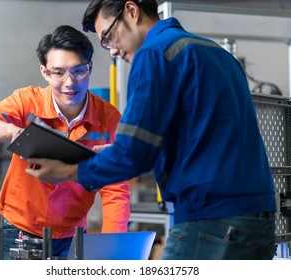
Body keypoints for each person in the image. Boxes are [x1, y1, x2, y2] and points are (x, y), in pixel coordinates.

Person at [25, 0, 277, 260]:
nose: (111, 50)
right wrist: (119, 150)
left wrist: (69, 171)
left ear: (132, 11)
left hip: (211, 219)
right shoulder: (218, 54)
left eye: (109, 36)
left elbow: (134, 156)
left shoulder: (155, 54)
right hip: (260, 220)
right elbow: (204, 136)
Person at [0, 25, 131, 259]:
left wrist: (113, 249)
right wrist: (9, 130)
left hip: (73, 232)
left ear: (91, 67)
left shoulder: (108, 118)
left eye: (78, 71)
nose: (69, 82)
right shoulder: (27, 102)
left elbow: (115, 187)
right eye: (58, 72)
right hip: (20, 227)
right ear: (45, 72)